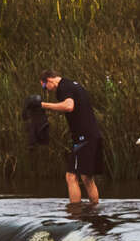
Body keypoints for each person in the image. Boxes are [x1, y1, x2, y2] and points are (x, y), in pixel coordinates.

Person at [36, 71, 104, 208]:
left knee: (71, 176)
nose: (46, 91)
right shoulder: (73, 85)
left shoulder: (63, 88)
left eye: (44, 87)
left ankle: (75, 213)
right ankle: (95, 211)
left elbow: (68, 106)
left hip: (83, 138)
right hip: (93, 135)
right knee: (86, 178)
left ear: (49, 80)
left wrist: (43, 105)